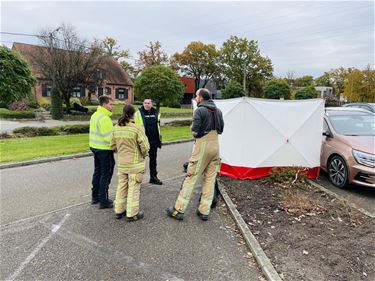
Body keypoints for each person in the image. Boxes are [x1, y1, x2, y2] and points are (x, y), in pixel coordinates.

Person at [166, 88, 224, 221]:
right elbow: (220, 130)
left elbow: (194, 132)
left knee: (191, 177)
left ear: (201, 98)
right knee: (210, 179)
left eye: (196, 96)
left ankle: (178, 209)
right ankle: (204, 211)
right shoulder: (218, 111)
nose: (195, 98)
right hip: (216, 146)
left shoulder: (200, 110)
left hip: (203, 146)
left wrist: (194, 129)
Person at [111, 104, 150, 222]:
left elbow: (112, 146)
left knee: (121, 187)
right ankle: (132, 214)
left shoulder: (115, 127)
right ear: (133, 114)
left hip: (122, 165)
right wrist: (143, 155)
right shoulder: (137, 128)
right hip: (135, 165)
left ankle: (119, 210)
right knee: (134, 188)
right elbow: (145, 146)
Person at [89, 95, 115, 209]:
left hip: (95, 148)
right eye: (110, 104)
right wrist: (117, 146)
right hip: (105, 150)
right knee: (106, 174)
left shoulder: (95, 115)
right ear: (104, 104)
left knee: (97, 172)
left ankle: (95, 197)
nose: (112, 106)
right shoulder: (104, 118)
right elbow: (109, 137)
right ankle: (103, 200)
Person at [134, 99, 163, 185]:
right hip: (143, 141)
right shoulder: (138, 113)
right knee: (140, 160)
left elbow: (158, 127)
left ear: (152, 104)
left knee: (153, 160)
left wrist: (159, 140)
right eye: (145, 103)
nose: (146, 105)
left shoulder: (156, 113)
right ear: (143, 104)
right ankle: (136, 179)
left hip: (154, 140)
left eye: (148, 103)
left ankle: (153, 177)